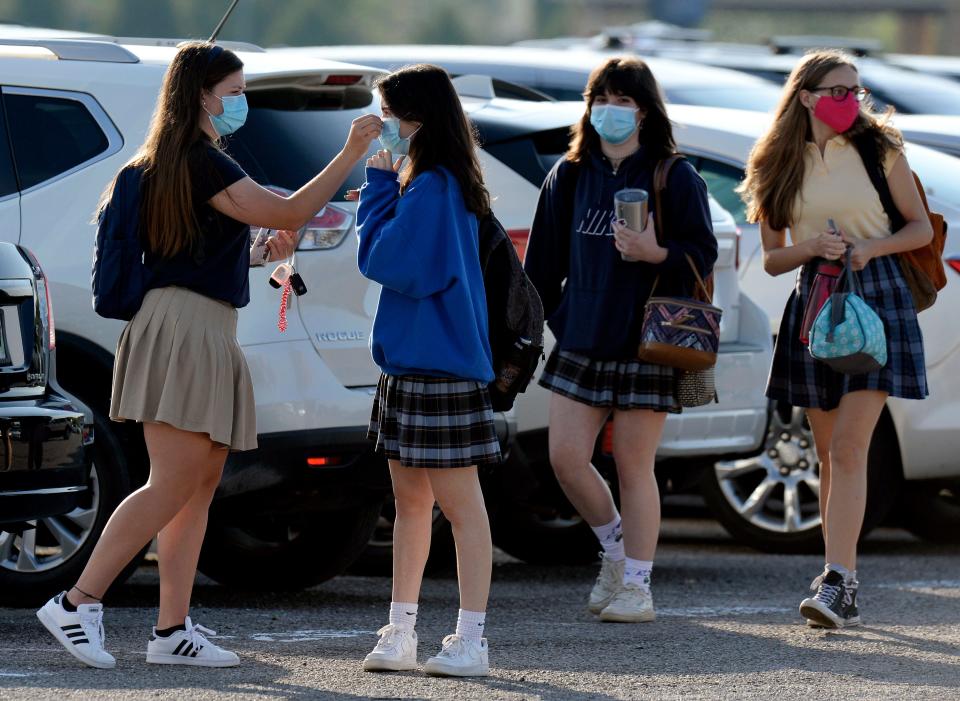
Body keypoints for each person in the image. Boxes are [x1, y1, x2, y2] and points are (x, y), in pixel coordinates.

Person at [36, 41, 382, 669]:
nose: (240, 103)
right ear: (201, 95)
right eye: (235, 93)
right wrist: (350, 152)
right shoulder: (201, 163)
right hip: (185, 330)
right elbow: (291, 210)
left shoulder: (168, 165)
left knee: (196, 484)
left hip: (193, 323)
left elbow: (188, 255)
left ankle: (172, 631)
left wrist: (253, 256)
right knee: (173, 481)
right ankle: (77, 600)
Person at [739, 50, 931, 628]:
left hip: (878, 297)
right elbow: (773, 258)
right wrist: (812, 250)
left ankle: (839, 583)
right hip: (816, 299)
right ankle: (836, 575)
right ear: (806, 96)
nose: (853, 101)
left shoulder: (880, 147)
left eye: (857, 90)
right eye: (840, 91)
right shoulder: (776, 160)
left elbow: (920, 226)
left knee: (850, 448)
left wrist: (870, 248)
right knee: (827, 454)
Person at [523, 57, 717, 623]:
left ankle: (637, 585)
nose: (611, 110)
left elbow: (703, 254)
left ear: (645, 110)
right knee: (565, 459)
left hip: (648, 343)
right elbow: (540, 267)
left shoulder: (673, 176)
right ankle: (613, 551)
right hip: (582, 341)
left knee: (635, 464)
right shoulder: (570, 174)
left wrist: (656, 253)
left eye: (624, 101)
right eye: (601, 98)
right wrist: (557, 320)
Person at [356, 64, 500, 678]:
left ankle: (471, 639)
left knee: (459, 505)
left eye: (387, 116)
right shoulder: (438, 180)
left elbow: (386, 260)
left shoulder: (434, 186)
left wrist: (376, 183)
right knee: (411, 501)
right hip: (421, 364)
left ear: (415, 119)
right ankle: (403, 630)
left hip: (438, 366)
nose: (382, 127)